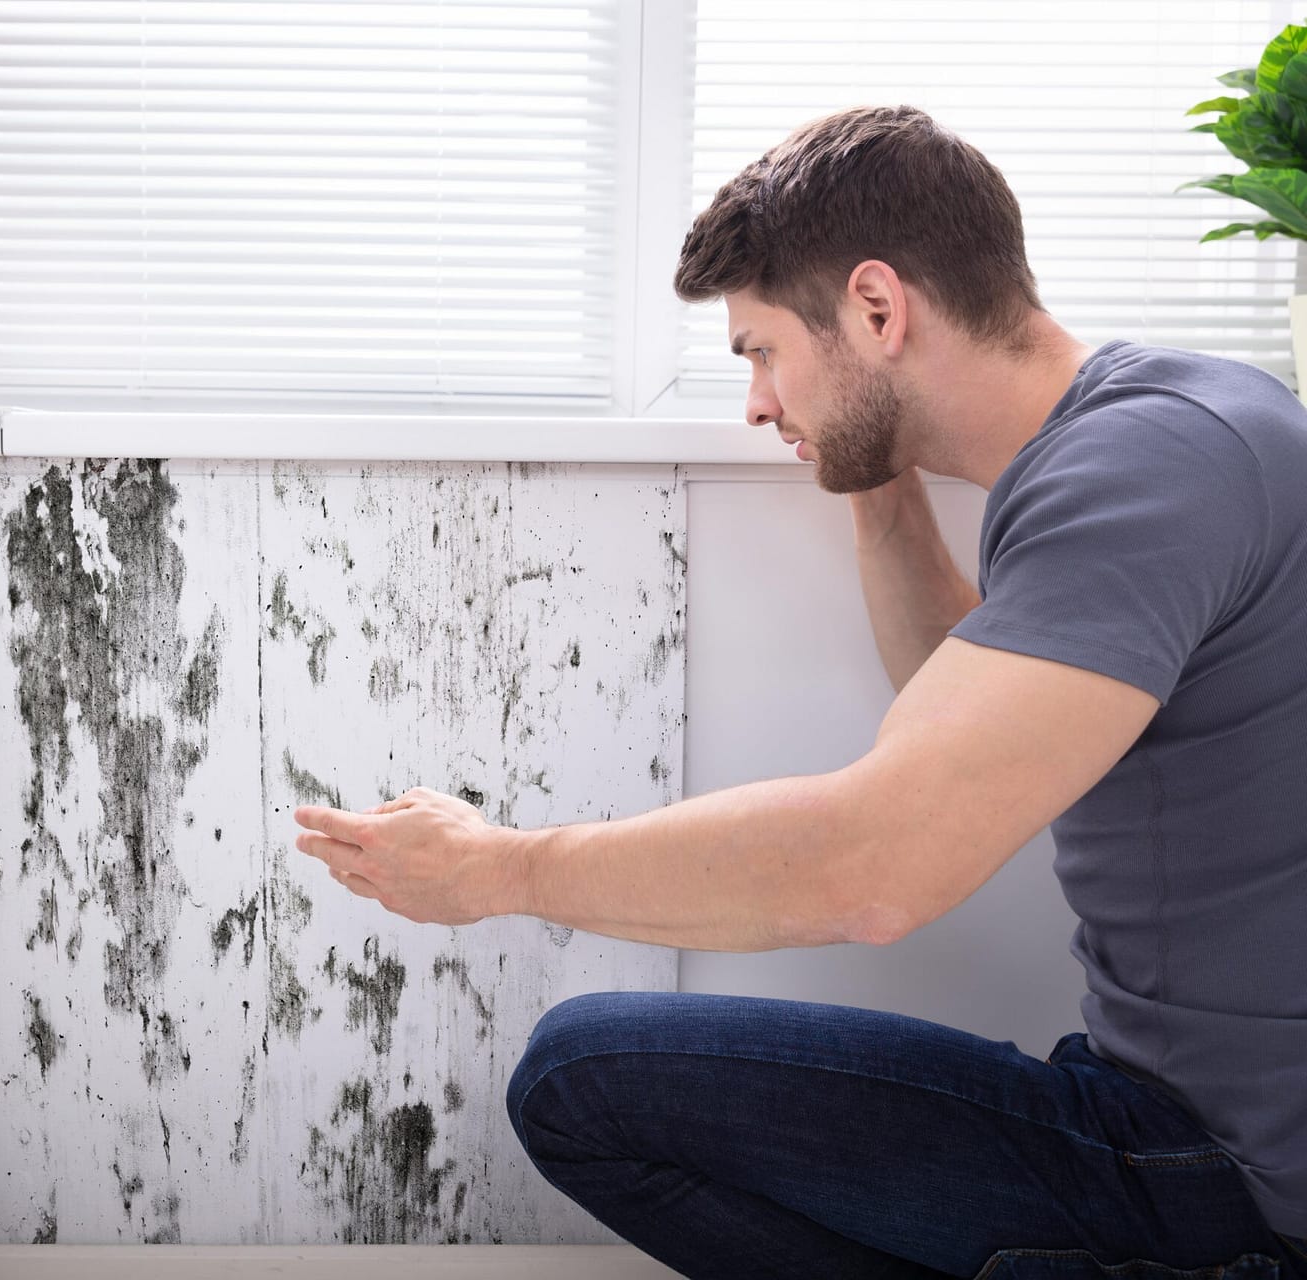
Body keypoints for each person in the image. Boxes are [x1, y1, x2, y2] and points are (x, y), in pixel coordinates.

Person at [291, 104, 1307, 1278]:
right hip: (1192, 1128)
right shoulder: (1166, 428)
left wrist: (495, 869)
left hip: (1218, 1177)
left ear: (877, 309)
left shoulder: (1140, 475)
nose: (758, 403)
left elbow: (875, 869)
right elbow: (961, 700)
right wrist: (874, 468)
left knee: (579, 1076)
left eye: (763, 351)